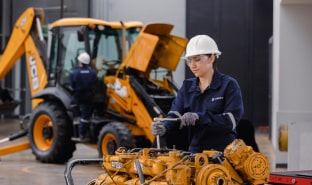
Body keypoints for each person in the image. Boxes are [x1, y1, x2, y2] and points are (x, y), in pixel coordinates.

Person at [151, 34, 244, 153]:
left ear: (211, 58)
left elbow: (231, 121)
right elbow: (175, 114)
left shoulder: (229, 85)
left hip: (225, 153)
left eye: (197, 60)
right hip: (196, 152)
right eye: (189, 61)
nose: (192, 65)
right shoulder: (187, 87)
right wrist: (164, 127)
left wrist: (199, 117)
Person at [70, 52, 97, 142]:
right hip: (88, 97)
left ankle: (77, 130)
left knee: (74, 109)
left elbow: (72, 85)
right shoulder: (93, 73)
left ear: (80, 62)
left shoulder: (75, 73)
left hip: (77, 97)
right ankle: (83, 134)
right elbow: (95, 84)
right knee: (85, 117)